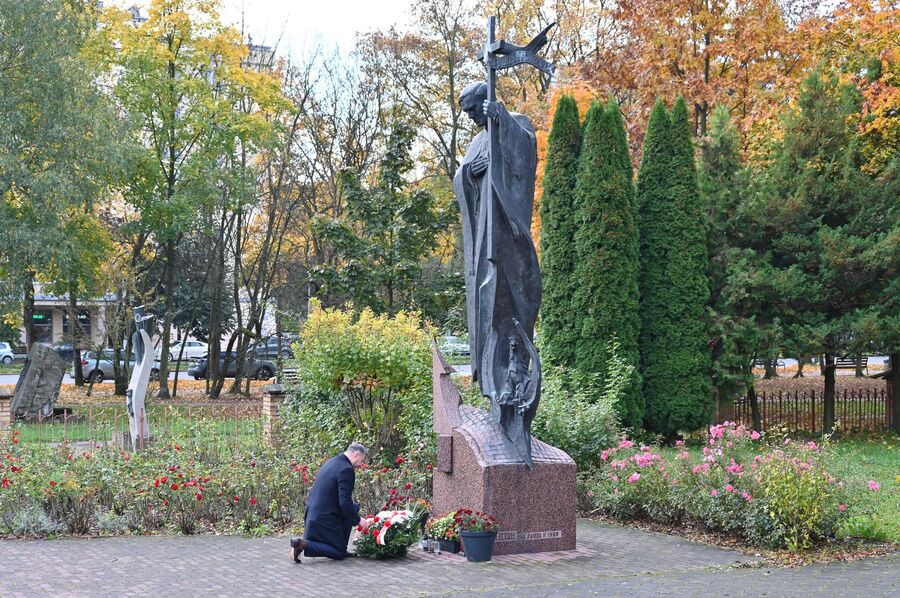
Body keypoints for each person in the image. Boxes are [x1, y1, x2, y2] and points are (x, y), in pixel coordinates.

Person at [290, 443, 369, 563]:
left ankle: (342, 546)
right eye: (361, 460)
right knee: (338, 553)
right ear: (356, 454)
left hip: (313, 513)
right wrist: (358, 521)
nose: (360, 464)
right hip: (324, 517)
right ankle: (303, 544)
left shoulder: (332, 462)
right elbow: (344, 502)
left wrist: (354, 515)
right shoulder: (346, 469)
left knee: (354, 508)